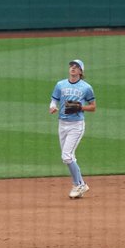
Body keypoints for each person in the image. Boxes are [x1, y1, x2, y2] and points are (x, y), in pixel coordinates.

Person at [48, 58, 97, 199]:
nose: (73, 68)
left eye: (76, 66)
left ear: (81, 71)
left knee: (66, 156)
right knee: (69, 157)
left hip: (76, 125)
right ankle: (81, 185)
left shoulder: (86, 87)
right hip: (62, 124)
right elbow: (54, 99)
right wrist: (52, 107)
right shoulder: (60, 84)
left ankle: (79, 184)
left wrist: (81, 107)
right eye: (71, 66)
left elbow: (93, 107)